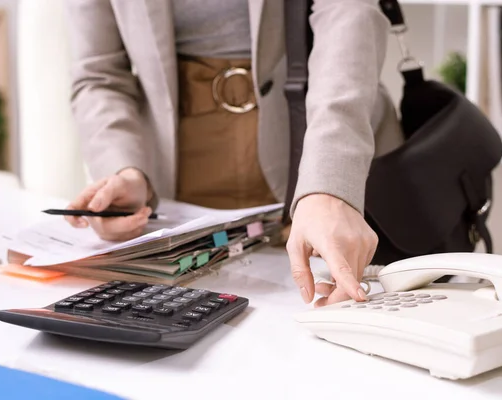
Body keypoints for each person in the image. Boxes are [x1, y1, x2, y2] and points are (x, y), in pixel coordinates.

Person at [63, 0, 403, 307]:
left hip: (315, 146)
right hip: (178, 176)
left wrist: (330, 184)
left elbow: (349, 12)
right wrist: (126, 171)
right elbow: (99, 74)